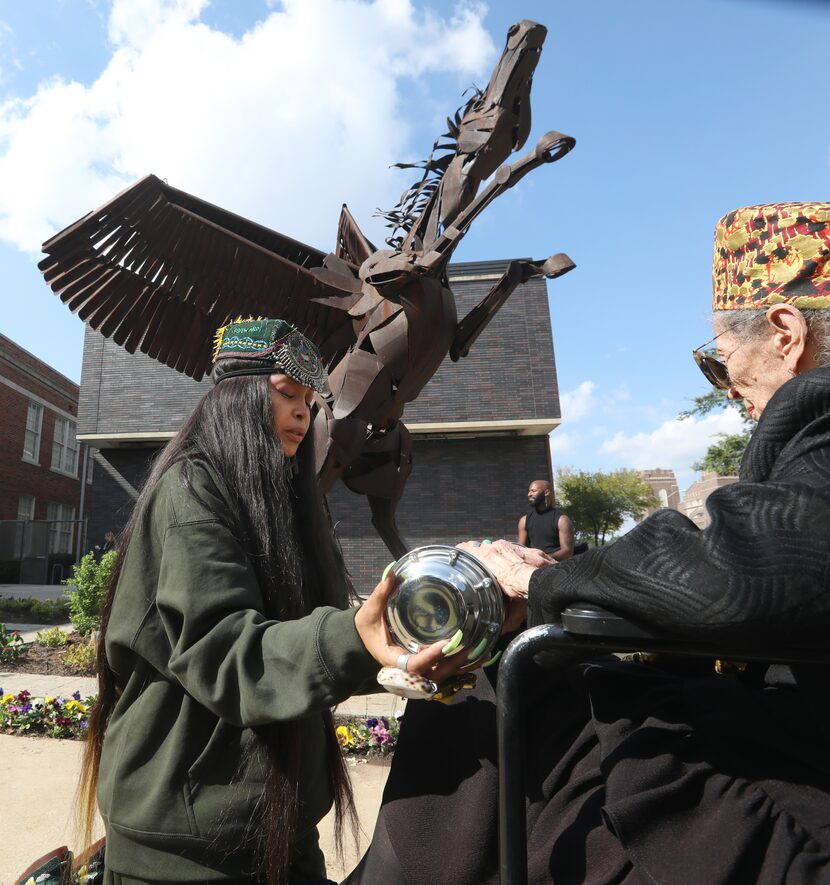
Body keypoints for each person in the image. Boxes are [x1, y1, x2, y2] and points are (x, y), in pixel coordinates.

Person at [346, 203, 830, 884]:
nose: (730, 393)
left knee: (508, 684)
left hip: (798, 814)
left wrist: (534, 582)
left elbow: (750, 565)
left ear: (784, 333)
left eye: (719, 364)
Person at [77, 317, 477, 885]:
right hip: (185, 844)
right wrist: (353, 638)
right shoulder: (193, 489)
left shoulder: (279, 504)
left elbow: (297, 649)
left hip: (278, 825)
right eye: (286, 395)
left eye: (311, 403)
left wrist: (399, 652)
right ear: (234, 399)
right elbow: (226, 651)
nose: (303, 414)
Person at [518, 480, 574, 560]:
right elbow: (521, 550)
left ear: (546, 492)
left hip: (557, 567)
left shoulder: (562, 520)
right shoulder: (524, 521)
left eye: (533, 491)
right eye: (529, 491)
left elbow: (567, 552)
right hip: (533, 567)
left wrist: (543, 558)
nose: (529, 494)